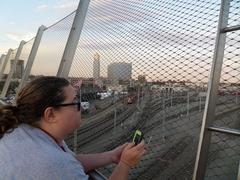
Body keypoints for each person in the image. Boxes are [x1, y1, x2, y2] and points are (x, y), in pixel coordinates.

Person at [0, 76, 145, 180]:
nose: (81, 106)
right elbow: (61, 166)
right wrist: (125, 163)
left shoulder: (23, 129)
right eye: (75, 101)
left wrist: (112, 156)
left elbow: (71, 162)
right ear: (50, 114)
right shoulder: (53, 163)